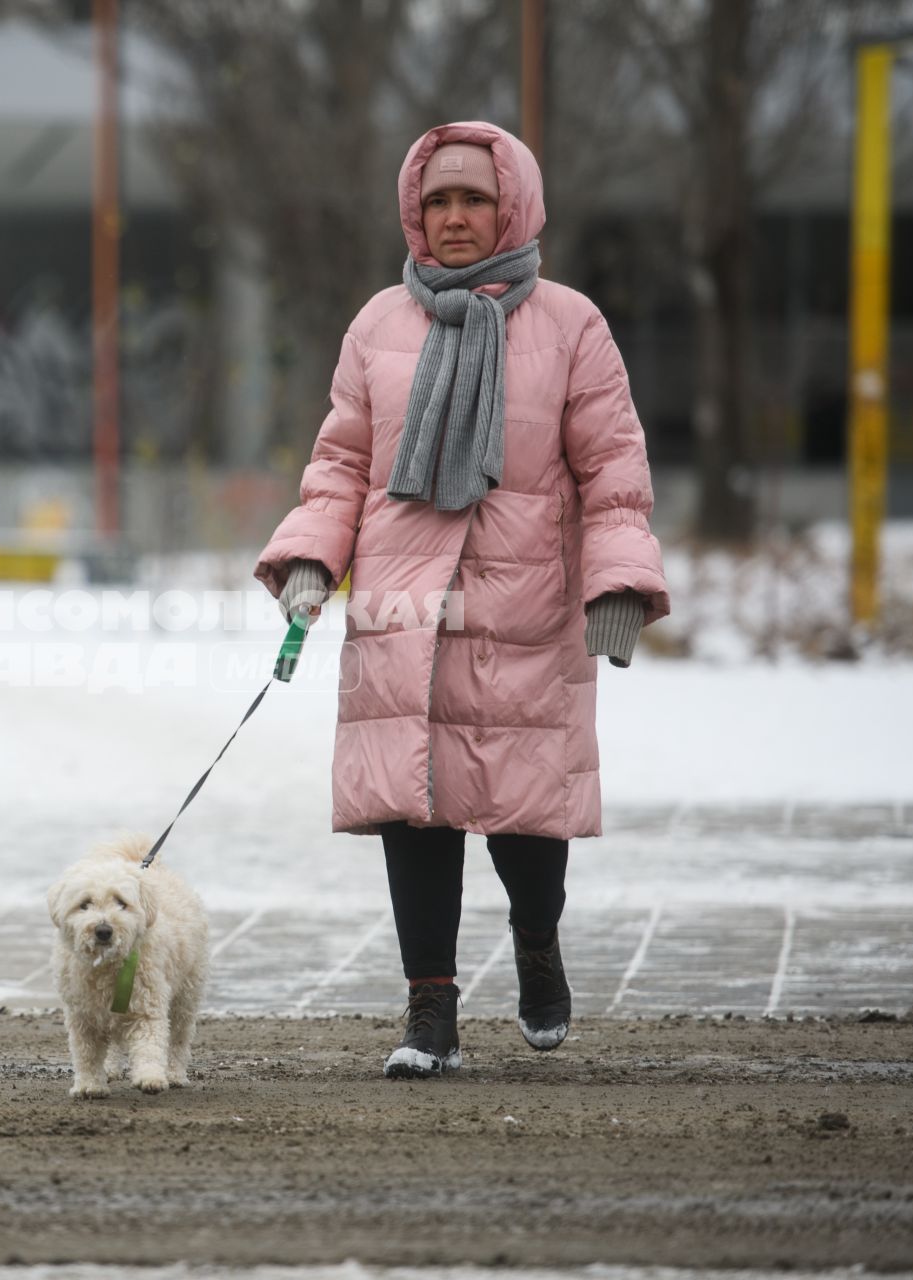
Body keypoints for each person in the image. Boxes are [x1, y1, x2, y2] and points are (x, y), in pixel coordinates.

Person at [254, 121, 671, 1079]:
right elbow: (342, 464)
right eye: (436, 200)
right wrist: (313, 561)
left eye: (472, 199)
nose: (451, 218)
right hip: (404, 606)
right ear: (414, 210)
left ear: (510, 206)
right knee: (414, 810)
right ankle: (428, 1013)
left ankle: (536, 944)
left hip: (525, 608)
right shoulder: (377, 323)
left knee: (525, 821)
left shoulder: (571, 324)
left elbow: (614, 471)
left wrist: (618, 583)